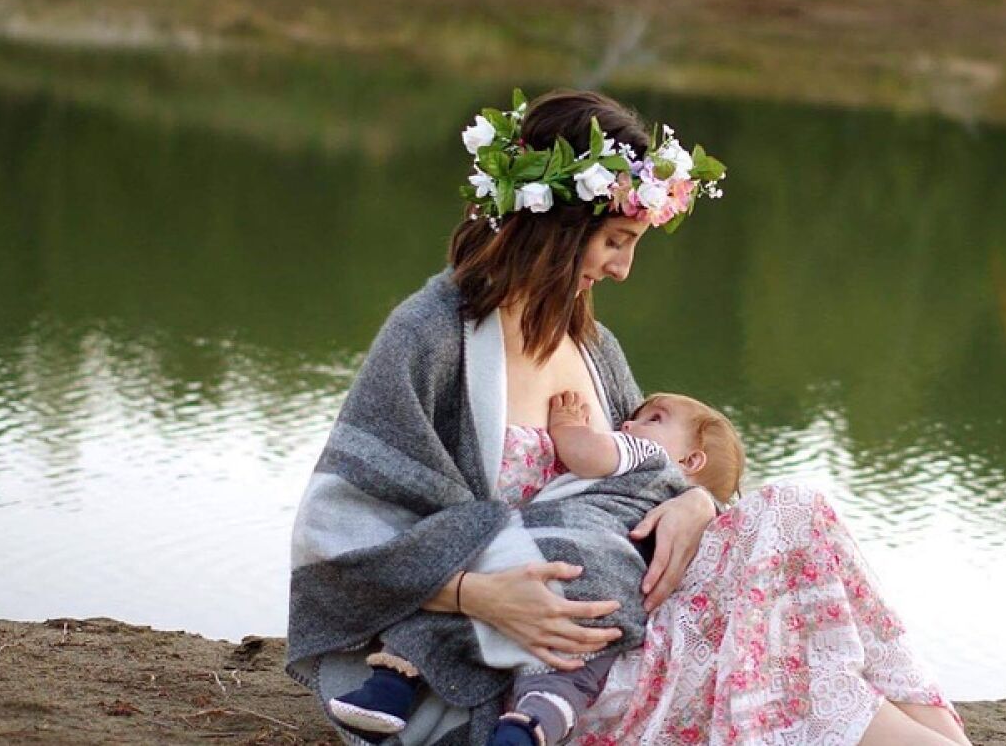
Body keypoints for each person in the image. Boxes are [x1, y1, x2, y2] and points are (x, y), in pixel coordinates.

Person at [287, 88, 970, 746]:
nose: (623, 269)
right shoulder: (432, 338)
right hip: (512, 667)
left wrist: (696, 504)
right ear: (556, 225)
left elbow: (639, 483)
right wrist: (477, 596)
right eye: (615, 240)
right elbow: (333, 539)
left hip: (614, 616)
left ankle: (944, 738)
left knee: (796, 514)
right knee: (786, 665)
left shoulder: (593, 349)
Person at [325, 389, 745, 746]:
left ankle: (387, 692)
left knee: (453, 609)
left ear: (691, 461)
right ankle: (526, 729)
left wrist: (568, 426)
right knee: (571, 669)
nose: (629, 423)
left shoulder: (648, 456)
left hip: (561, 549)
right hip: (615, 597)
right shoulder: (681, 518)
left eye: (653, 419)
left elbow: (586, 454)